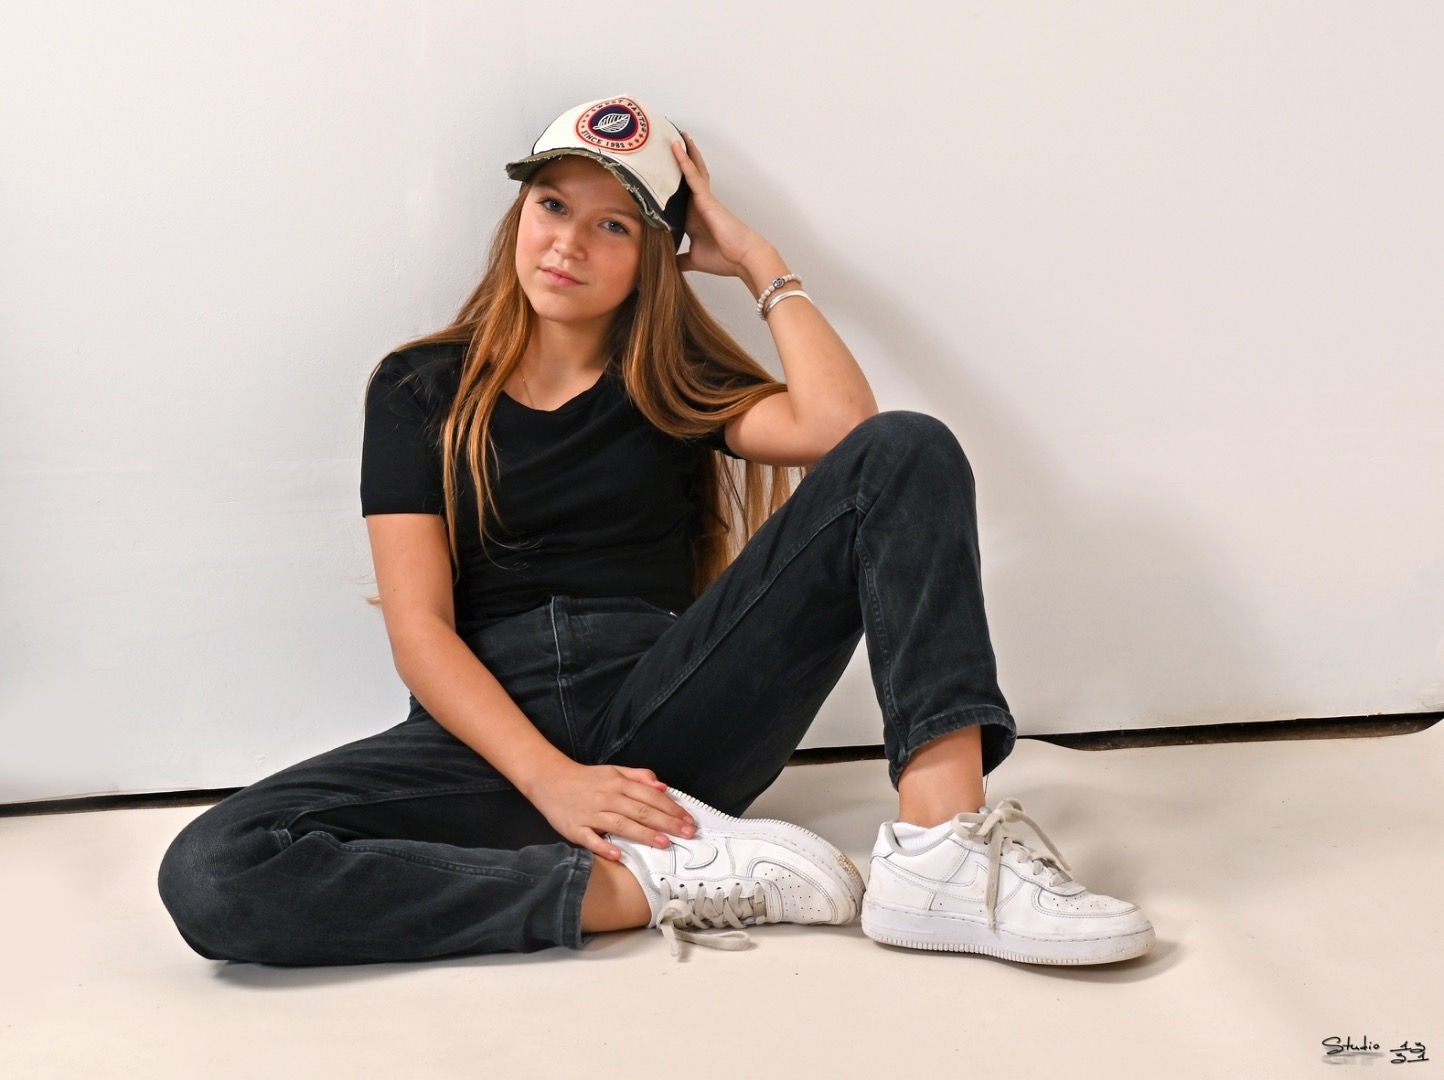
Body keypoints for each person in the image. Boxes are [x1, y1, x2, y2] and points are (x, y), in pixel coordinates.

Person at [158, 95, 1154, 966]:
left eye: (614, 226)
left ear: (655, 258)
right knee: (213, 870)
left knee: (907, 446)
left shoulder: (672, 381)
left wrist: (759, 263)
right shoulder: (419, 386)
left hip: (669, 711)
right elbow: (420, 631)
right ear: (520, 212)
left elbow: (843, 430)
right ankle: (643, 886)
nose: (568, 244)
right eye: (553, 205)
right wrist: (553, 784)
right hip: (489, 739)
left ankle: (942, 856)